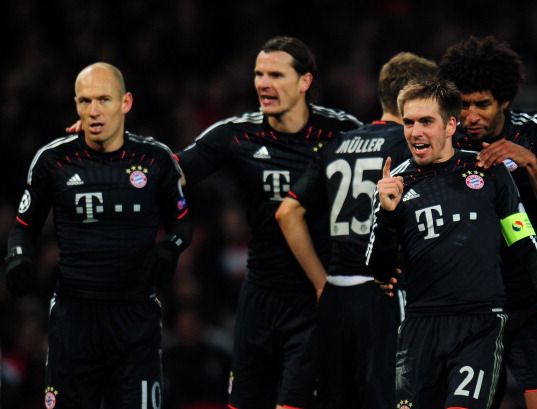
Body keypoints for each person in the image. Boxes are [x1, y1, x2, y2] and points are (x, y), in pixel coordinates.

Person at [177, 36, 362, 409]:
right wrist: (109, 142)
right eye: (259, 74)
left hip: (317, 293)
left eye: (276, 74)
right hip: (259, 294)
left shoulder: (343, 133)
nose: (263, 83)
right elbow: (171, 172)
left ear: (305, 82)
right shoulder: (237, 134)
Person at [365, 79, 537, 409]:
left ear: (450, 125)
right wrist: (387, 214)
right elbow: (379, 269)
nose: (415, 131)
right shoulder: (395, 182)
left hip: (480, 324)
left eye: (426, 122)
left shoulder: (488, 171)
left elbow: (523, 238)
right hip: (419, 327)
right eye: (409, 122)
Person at [2, 62, 192, 408]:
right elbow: (22, 227)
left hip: (135, 319)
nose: (93, 111)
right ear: (75, 104)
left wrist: (169, 250)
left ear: (126, 102)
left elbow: (181, 224)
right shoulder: (52, 160)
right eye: (85, 101)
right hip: (74, 320)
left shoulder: (156, 159)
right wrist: (18, 258)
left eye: (104, 99)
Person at [274, 52, 437, 409]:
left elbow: (287, 212)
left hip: (335, 296)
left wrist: (320, 282)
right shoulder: (411, 145)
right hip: (385, 293)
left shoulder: (339, 144)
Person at [438, 35, 537, 409]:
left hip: (531, 301)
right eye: (463, 104)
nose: (471, 116)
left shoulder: (536, 132)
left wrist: (529, 162)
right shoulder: (446, 144)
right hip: (470, 306)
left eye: (482, 104)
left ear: (505, 100)